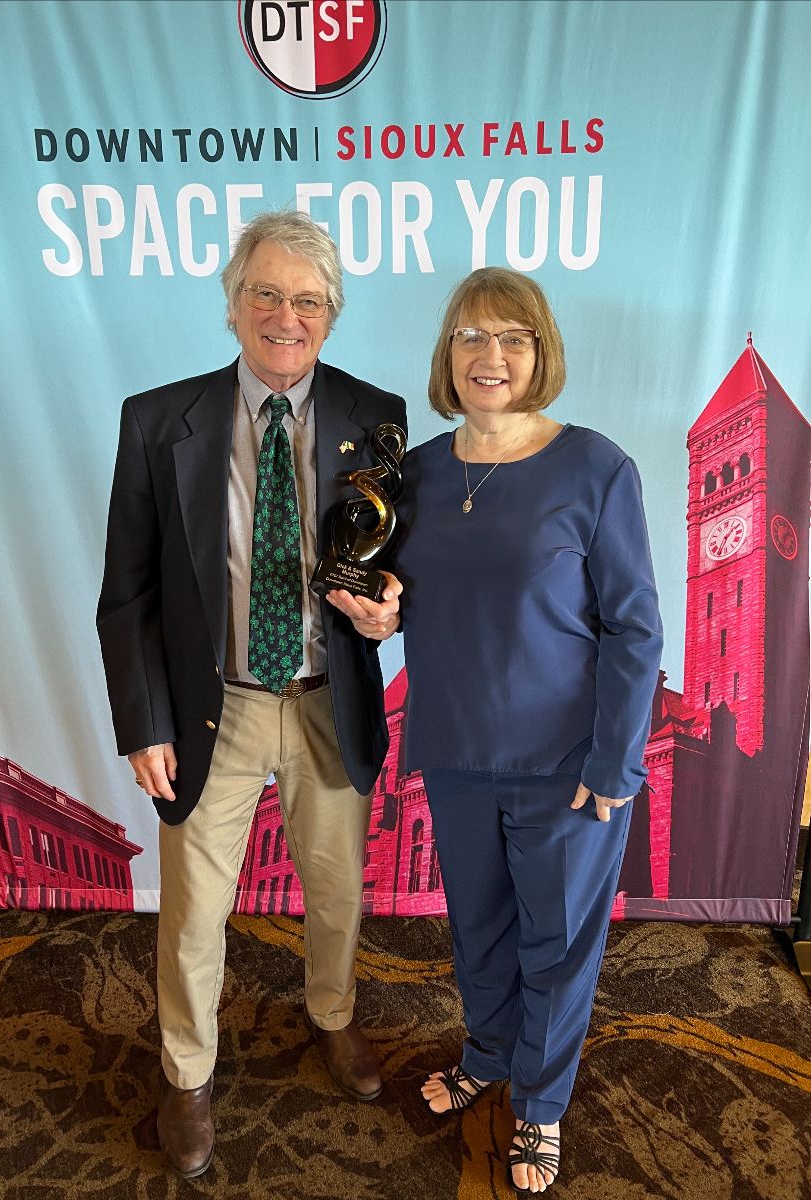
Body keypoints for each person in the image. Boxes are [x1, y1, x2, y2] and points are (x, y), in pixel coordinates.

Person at [329, 267, 663, 1194]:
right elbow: (399, 596)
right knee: (477, 929)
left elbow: (636, 628)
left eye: (513, 337)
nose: (491, 355)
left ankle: (541, 1104)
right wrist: (378, 617)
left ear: (539, 353)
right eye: (472, 336)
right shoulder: (418, 474)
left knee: (557, 943)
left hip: (568, 763)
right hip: (455, 749)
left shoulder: (596, 468)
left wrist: (616, 762)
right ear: (448, 354)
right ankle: (487, 1054)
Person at [96, 210, 406, 1179]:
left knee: (337, 892)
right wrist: (142, 722)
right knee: (194, 911)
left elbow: (403, 567)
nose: (286, 317)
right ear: (233, 305)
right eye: (265, 294)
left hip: (327, 700)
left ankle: (333, 1013)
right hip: (212, 708)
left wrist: (392, 613)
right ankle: (187, 1070)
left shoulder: (377, 416)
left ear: (332, 316)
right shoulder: (159, 421)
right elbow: (127, 591)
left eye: (308, 301)